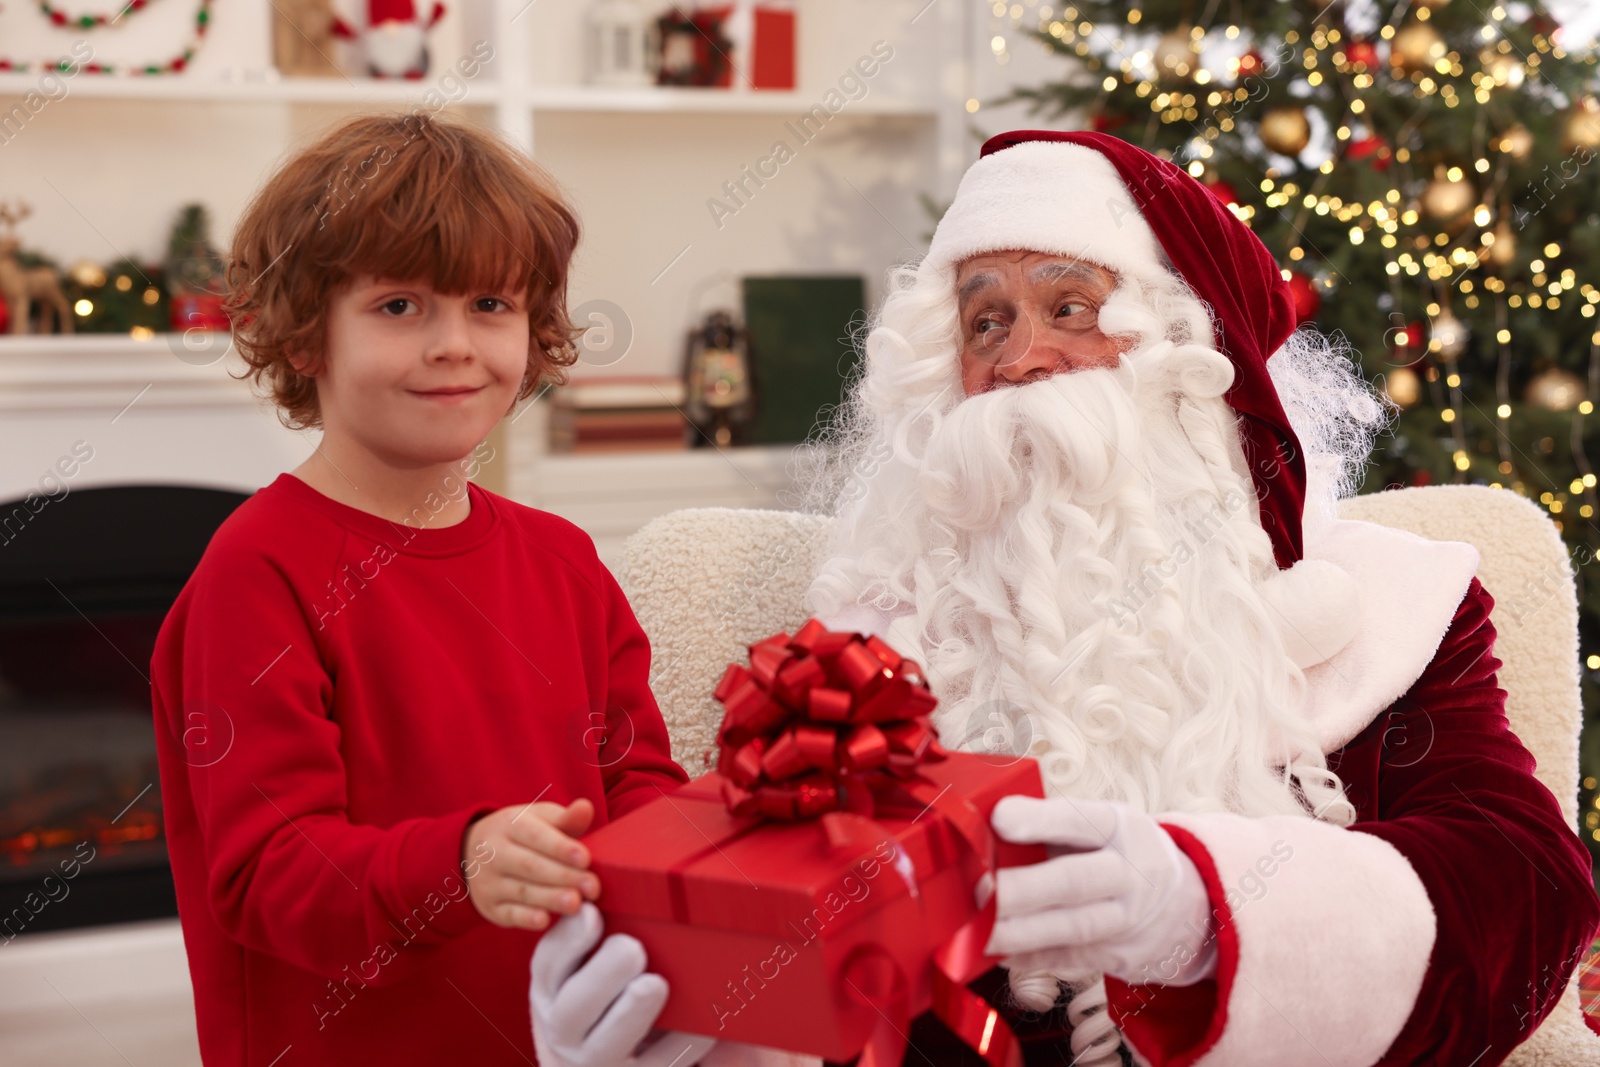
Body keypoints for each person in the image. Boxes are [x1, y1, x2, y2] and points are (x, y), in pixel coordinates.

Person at [803, 131, 1600, 1066]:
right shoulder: (869, 647)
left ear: (1192, 360)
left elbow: (1531, 894)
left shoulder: (1393, 607)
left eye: (1070, 307)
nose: (1022, 359)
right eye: (987, 323)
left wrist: (1210, 915)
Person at [150, 112, 757, 1066]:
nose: (455, 345)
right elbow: (270, 871)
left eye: (490, 304)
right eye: (399, 306)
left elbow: (633, 784)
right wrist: (459, 864)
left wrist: (732, 843)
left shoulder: (564, 561)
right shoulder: (255, 570)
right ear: (305, 337)